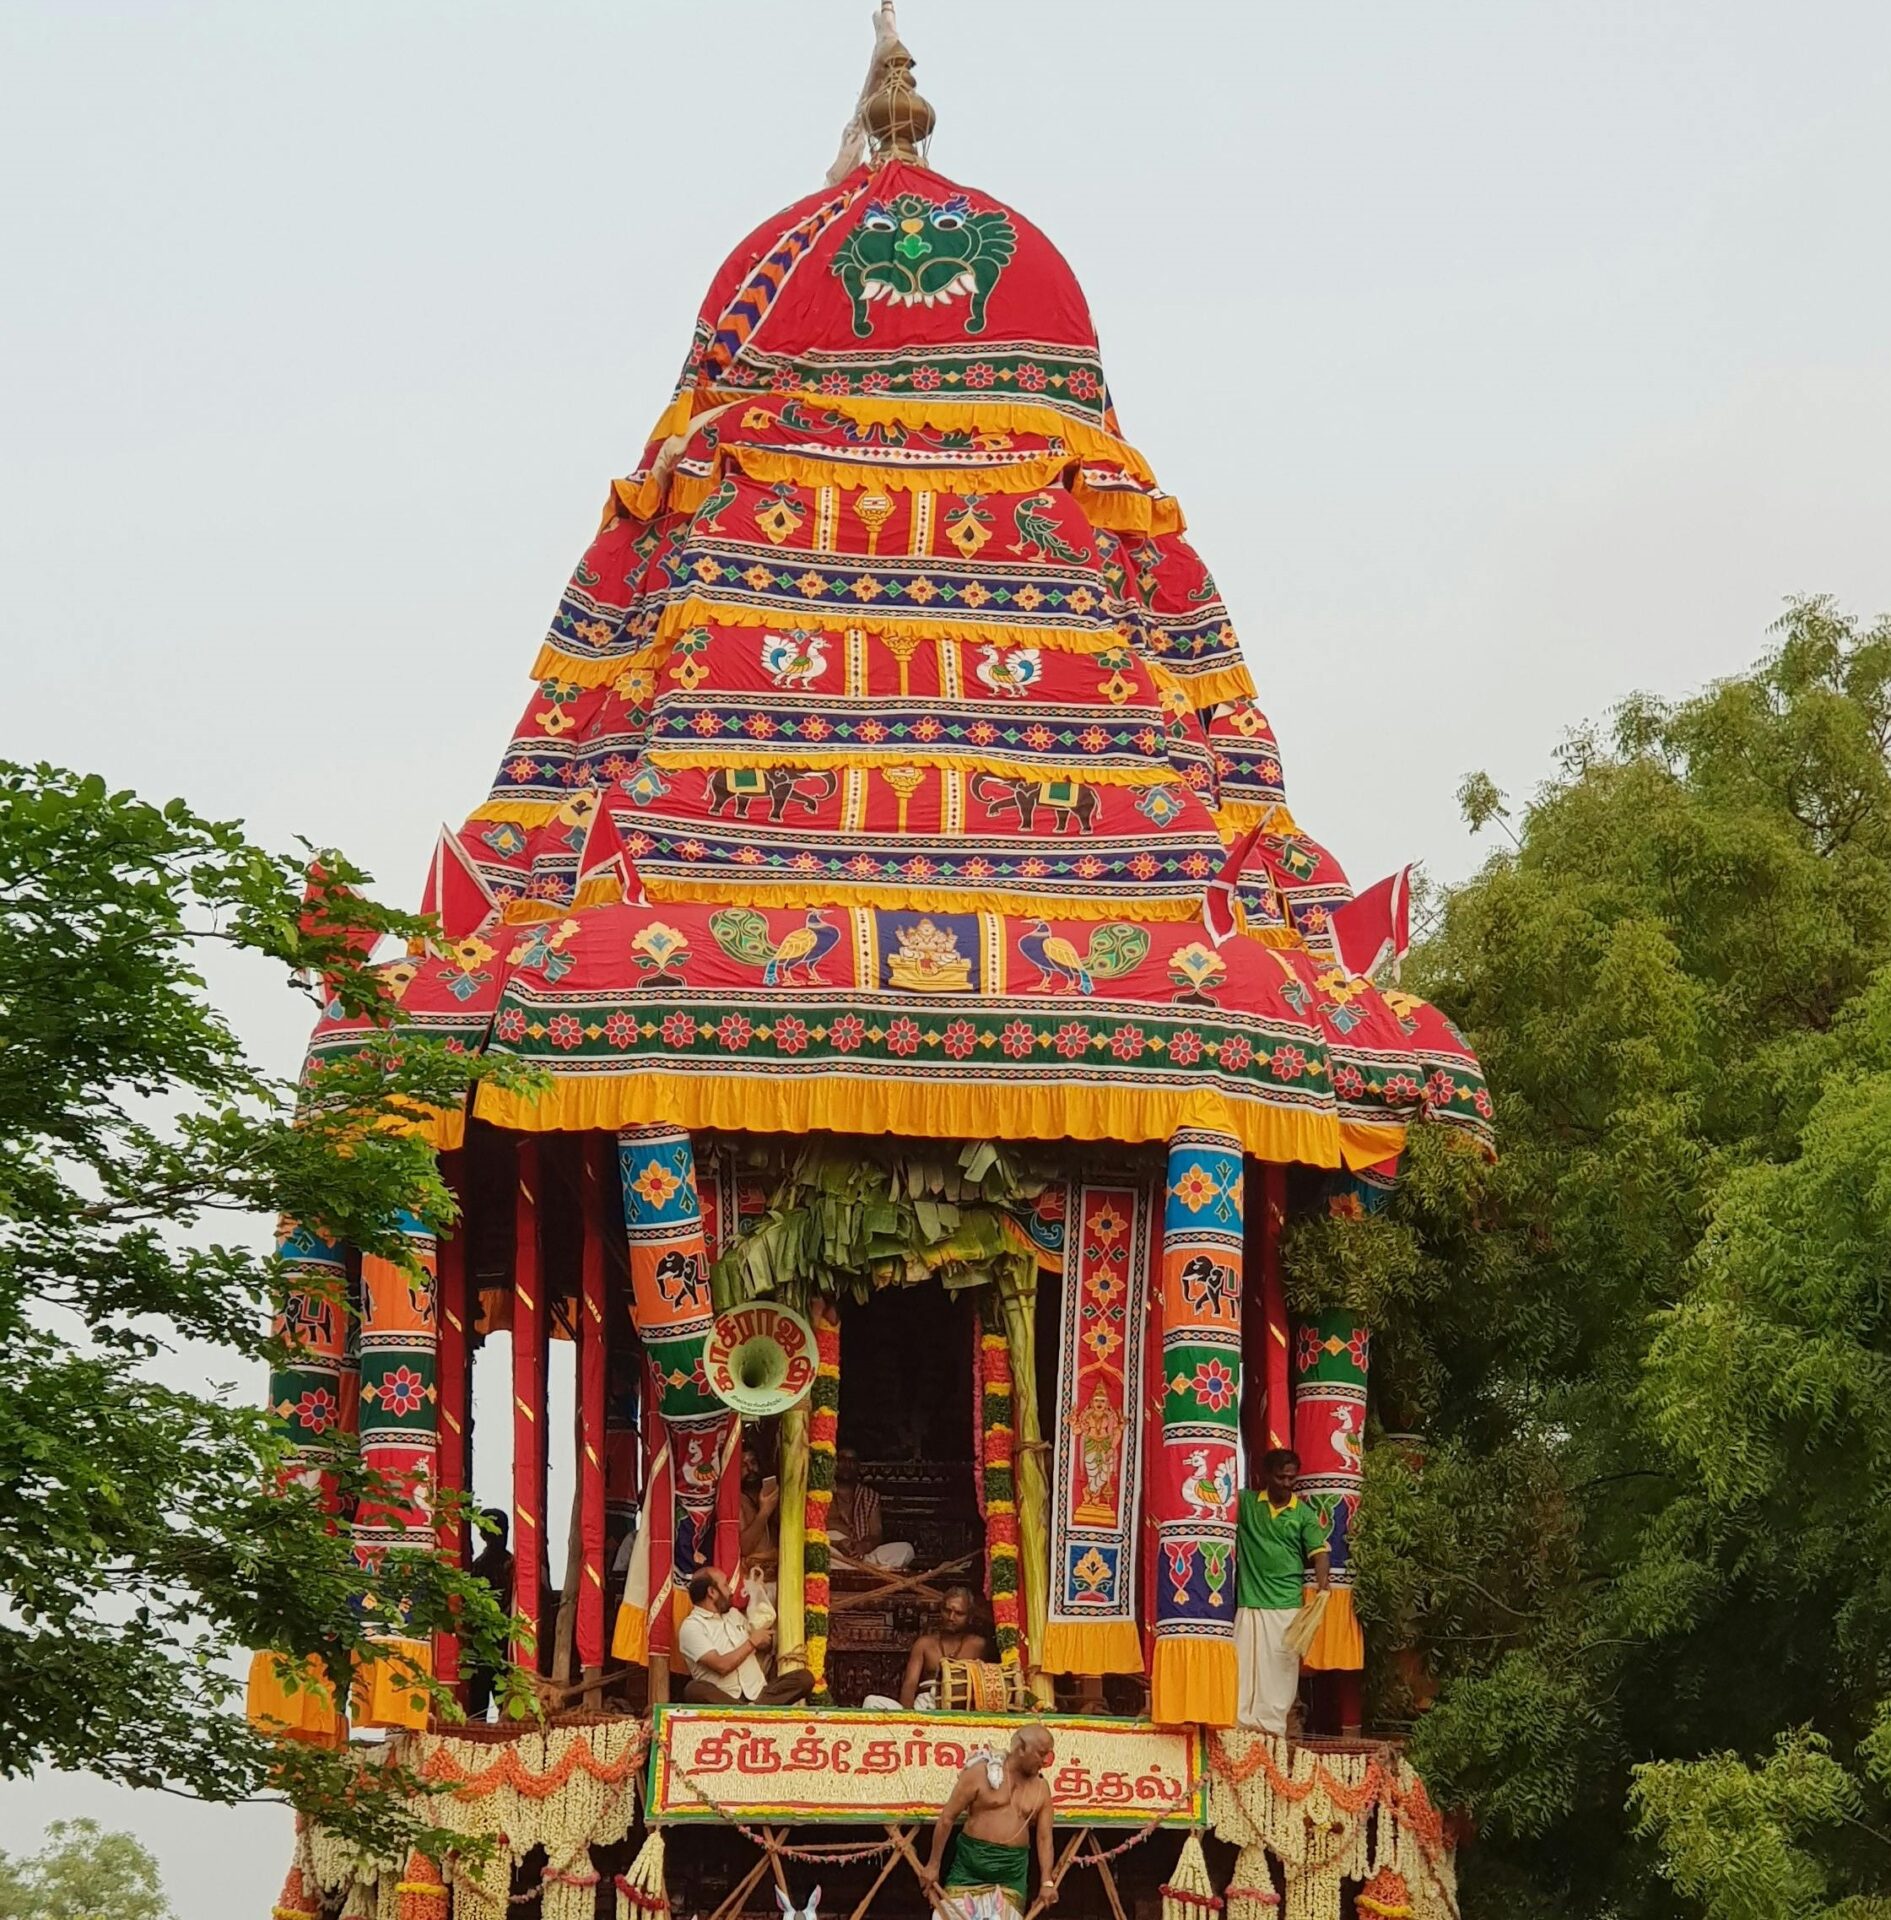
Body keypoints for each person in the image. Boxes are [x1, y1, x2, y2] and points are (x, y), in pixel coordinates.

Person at [1235, 1448, 1331, 1734]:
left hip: (1287, 1603)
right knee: (1244, 1669)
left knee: (1280, 1672)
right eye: (1281, 1477)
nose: (1287, 1483)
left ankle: (1272, 1732)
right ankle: (1238, 1730)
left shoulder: (1304, 1514)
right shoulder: (1246, 1503)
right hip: (1250, 1601)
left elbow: (1320, 1554)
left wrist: (1323, 1585)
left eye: (1291, 1478)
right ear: (1266, 1475)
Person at [920, 1724, 1060, 1920]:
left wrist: (1047, 1883)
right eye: (1041, 1753)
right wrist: (933, 1865)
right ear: (1021, 1748)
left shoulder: (1041, 1788)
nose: (1046, 1761)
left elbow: (1045, 1839)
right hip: (968, 1872)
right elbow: (947, 1818)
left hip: (1011, 1877)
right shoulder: (980, 1774)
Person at [676, 1567, 816, 1706]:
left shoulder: (734, 1615)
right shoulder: (692, 1627)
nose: (730, 1590)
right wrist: (752, 1642)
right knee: (694, 1689)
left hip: (759, 1695)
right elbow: (722, 1666)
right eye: (725, 1585)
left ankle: (752, 1709)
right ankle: (743, 1709)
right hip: (724, 1699)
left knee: (804, 1678)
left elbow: (760, 1644)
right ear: (712, 1592)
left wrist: (764, 1639)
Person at [863, 1585, 987, 1711]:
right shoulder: (924, 1644)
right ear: (941, 1611)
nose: (951, 1617)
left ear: (969, 1617)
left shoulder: (978, 1645)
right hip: (925, 1708)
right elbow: (910, 1684)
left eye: (959, 1613)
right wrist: (909, 1717)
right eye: (947, 1611)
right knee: (871, 1702)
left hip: (961, 1711)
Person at [829, 1446, 914, 1571]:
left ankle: (860, 1569)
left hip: (864, 1556)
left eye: (852, 1460)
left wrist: (864, 1546)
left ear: (858, 1466)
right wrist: (837, 1544)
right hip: (835, 1552)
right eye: (842, 1459)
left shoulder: (869, 1495)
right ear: (833, 1463)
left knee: (906, 1549)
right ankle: (872, 1570)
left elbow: (876, 1535)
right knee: (821, 1552)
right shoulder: (821, 1494)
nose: (847, 1464)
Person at [465, 1507, 513, 1721]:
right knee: (497, 1697)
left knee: (482, 1700)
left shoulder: (481, 1565)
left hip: (487, 1640)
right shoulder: (510, 1564)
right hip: (496, 1639)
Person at [739, 1438, 780, 1576]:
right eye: (743, 1465)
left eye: (753, 1462)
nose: (750, 1469)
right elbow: (744, 1548)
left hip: (780, 1571)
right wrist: (765, 1511)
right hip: (755, 1576)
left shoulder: (768, 1493)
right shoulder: (737, 1500)